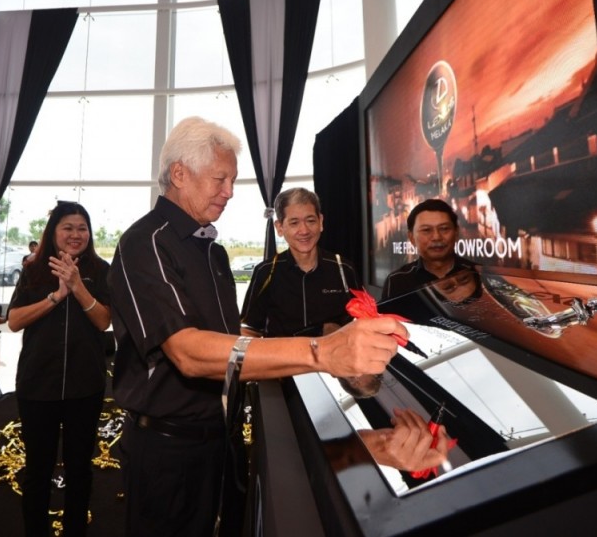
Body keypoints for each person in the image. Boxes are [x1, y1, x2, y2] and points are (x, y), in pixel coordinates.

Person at [108, 117, 450, 537]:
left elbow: (232, 347)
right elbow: (190, 352)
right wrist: (321, 352)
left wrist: (361, 442)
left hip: (223, 436)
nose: (230, 192)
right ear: (179, 173)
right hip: (169, 451)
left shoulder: (212, 255)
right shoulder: (145, 243)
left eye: (232, 180)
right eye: (220, 179)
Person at [7, 201, 112, 537]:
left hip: (86, 386)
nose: (76, 234)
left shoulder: (100, 269)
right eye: (68, 227)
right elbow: (14, 321)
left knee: (80, 468)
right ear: (53, 231)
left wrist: (78, 287)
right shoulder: (34, 270)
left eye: (82, 228)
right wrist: (57, 295)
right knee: (37, 468)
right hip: (38, 386)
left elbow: (104, 321)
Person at [240, 187, 356, 338]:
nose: (304, 230)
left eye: (310, 221)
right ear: (280, 227)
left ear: (320, 222)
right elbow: (249, 330)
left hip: (334, 360)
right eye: (294, 223)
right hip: (282, 360)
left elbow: (360, 322)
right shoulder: (266, 271)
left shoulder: (343, 269)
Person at [380, 198, 478, 321]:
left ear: (456, 233)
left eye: (444, 229)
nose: (436, 237)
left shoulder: (477, 273)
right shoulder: (397, 281)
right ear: (411, 238)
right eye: (426, 230)